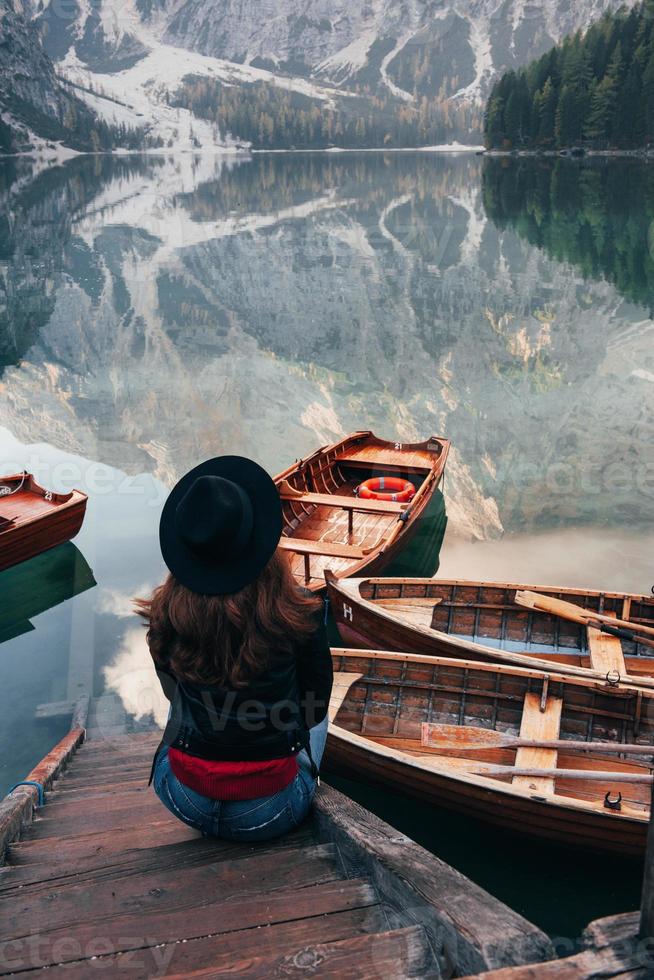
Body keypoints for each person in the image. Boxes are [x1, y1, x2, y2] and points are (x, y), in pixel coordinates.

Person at [136, 455, 333, 841]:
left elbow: (171, 691)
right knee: (322, 716)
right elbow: (315, 709)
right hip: (272, 810)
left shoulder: (166, 615)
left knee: (184, 701)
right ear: (259, 542)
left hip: (183, 799)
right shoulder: (300, 612)